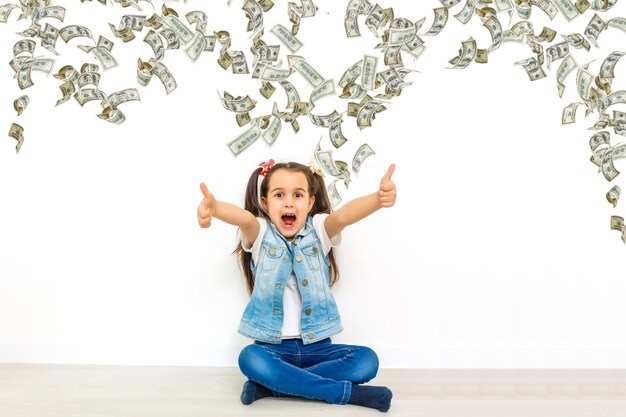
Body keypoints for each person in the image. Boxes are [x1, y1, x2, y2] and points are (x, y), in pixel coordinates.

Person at [197, 159, 397, 412]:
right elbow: (244, 219)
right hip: (273, 350)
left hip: (319, 349)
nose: (289, 202)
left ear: (310, 203)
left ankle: (272, 387)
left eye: (298, 195)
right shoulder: (260, 234)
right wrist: (214, 207)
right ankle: (343, 393)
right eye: (279, 195)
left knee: (367, 360)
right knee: (249, 358)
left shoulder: (320, 230)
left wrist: (378, 199)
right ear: (265, 203)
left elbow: (344, 215)